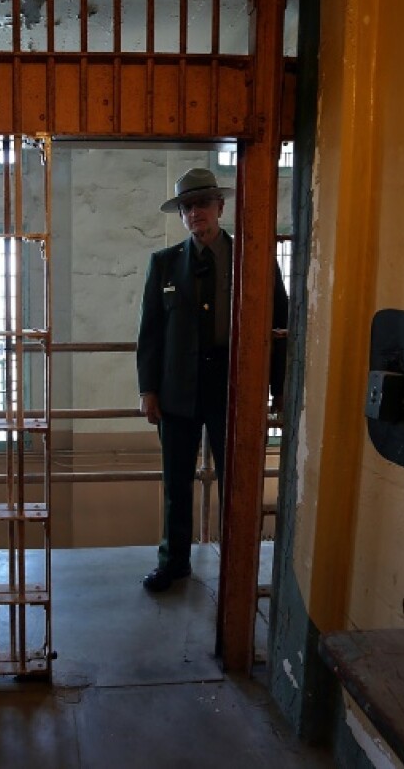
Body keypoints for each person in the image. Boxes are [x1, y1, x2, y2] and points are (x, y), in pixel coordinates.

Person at [135, 168, 288, 592]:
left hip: (233, 388)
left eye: (203, 203)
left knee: (236, 483)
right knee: (176, 484)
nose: (195, 212)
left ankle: (238, 565)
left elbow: (279, 325)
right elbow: (149, 332)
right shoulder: (164, 264)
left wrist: (278, 388)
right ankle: (174, 562)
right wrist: (148, 390)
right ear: (181, 215)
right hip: (176, 390)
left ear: (221, 207)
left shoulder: (253, 259)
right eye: (187, 207)